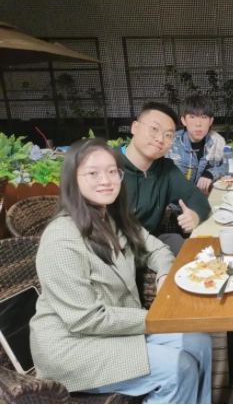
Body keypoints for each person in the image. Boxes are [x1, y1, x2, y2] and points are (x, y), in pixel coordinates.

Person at [30, 138, 212, 404]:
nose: (105, 180)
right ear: (72, 180)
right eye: (93, 173)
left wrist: (164, 274)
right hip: (73, 347)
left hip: (115, 330)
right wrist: (157, 319)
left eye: (112, 171)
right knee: (177, 367)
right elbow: (86, 319)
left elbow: (158, 249)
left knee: (199, 343)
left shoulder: (113, 218)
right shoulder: (61, 238)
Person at [121, 101, 211, 255]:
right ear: (135, 127)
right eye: (154, 129)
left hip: (152, 245)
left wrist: (194, 216)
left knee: (195, 251)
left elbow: (197, 197)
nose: (160, 139)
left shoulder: (165, 169)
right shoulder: (107, 165)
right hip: (115, 249)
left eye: (168, 135)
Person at [167, 95, 226, 194]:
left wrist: (210, 174)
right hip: (175, 201)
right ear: (184, 120)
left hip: (205, 200)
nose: (198, 123)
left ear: (210, 121)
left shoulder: (217, 141)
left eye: (203, 117)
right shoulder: (171, 143)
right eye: (192, 117)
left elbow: (228, 166)